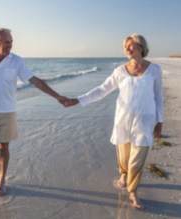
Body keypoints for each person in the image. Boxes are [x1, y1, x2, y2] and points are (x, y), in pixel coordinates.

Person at [0, 28, 68, 197]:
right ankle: (0, 165)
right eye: (7, 42)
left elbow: (35, 81)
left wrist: (57, 96)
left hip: (7, 112)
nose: (10, 46)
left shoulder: (16, 61)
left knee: (4, 147)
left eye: (11, 42)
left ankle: (2, 180)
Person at [65, 34, 163, 209]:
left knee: (137, 159)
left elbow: (158, 97)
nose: (127, 49)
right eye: (125, 46)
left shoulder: (155, 69)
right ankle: (123, 174)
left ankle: (133, 192)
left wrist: (159, 121)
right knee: (124, 156)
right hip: (123, 120)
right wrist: (78, 100)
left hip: (145, 120)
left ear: (141, 47)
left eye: (130, 46)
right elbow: (102, 90)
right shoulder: (120, 71)